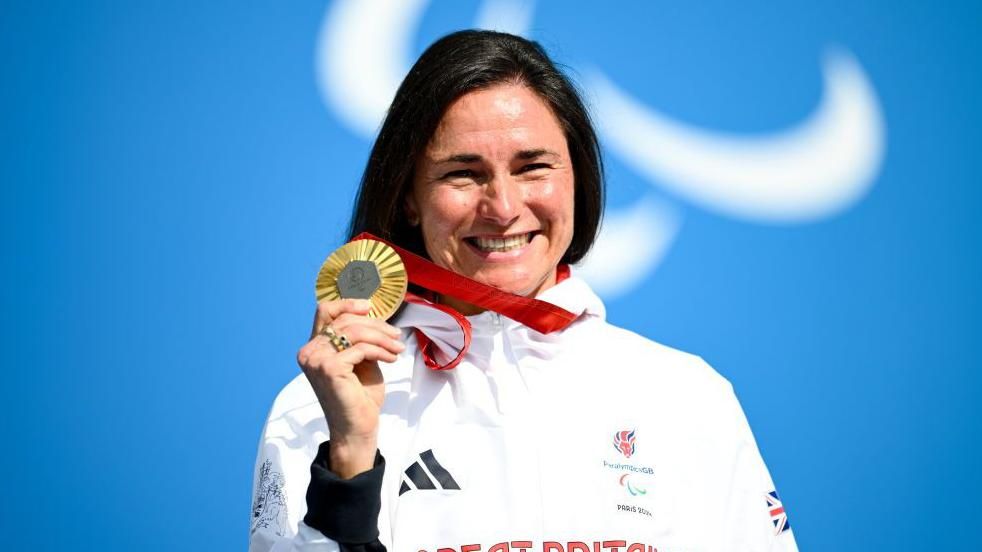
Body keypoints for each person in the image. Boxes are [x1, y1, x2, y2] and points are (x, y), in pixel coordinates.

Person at [250, 30, 799, 552]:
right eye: (463, 174)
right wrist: (349, 457)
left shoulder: (688, 397)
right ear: (408, 198)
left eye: (533, 166)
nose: (504, 208)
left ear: (577, 179)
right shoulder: (317, 407)